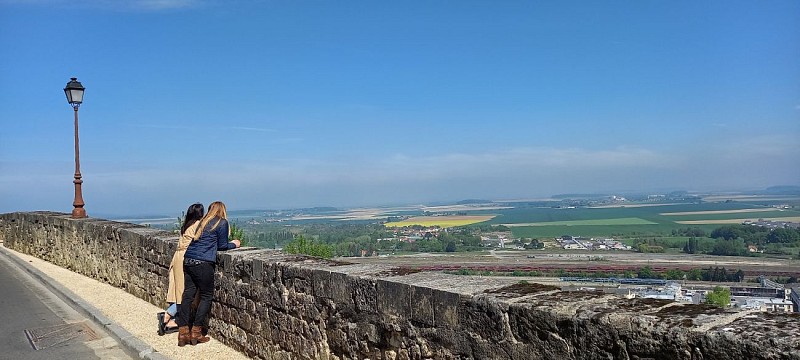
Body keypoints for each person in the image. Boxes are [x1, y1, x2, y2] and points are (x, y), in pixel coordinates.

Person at [176, 201, 240, 346]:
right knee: (206, 296)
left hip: (188, 259)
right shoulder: (222, 222)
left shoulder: (203, 221)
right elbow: (222, 246)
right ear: (222, 210)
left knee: (188, 295)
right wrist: (234, 244)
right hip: (203, 262)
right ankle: (196, 333)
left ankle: (183, 333)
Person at [158, 203, 204, 336]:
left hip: (178, 257)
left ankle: (174, 319)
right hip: (185, 258)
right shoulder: (197, 226)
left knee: (181, 291)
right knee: (186, 294)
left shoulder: (187, 225)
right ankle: (168, 315)